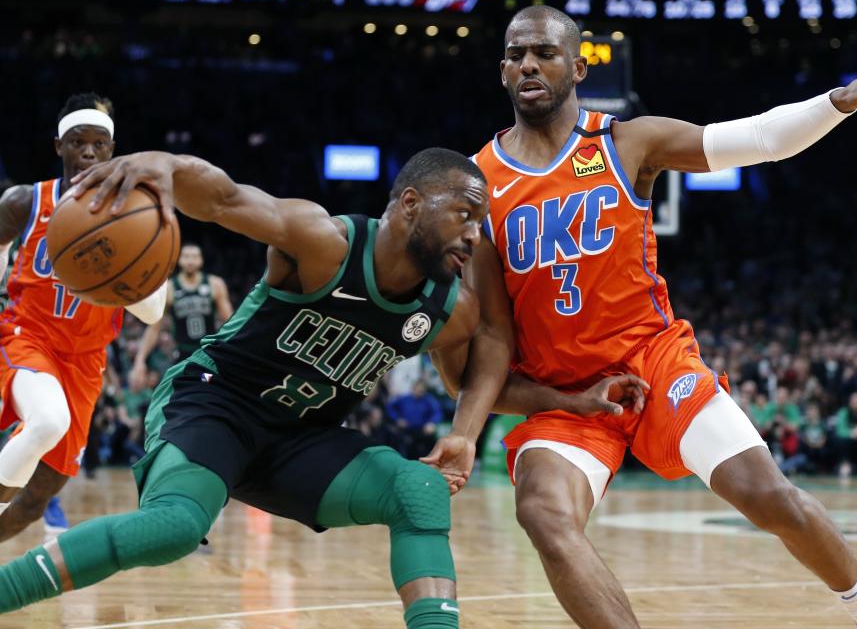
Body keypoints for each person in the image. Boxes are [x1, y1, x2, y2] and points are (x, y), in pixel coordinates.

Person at [425, 6, 857, 629]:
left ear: (578, 66)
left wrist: (844, 99)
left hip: (654, 361)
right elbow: (496, 333)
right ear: (502, 71)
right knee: (542, 513)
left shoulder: (625, 143)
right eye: (514, 54)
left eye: (544, 52)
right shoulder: (481, 183)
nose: (527, 63)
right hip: (565, 392)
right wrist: (465, 432)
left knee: (767, 495)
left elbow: (757, 139)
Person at [0, 147, 641, 628]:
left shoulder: (449, 308)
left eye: (481, 221)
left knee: (417, 488)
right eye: (464, 215)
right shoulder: (323, 241)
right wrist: (162, 165)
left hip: (300, 440)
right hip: (213, 404)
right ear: (412, 205)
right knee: (171, 529)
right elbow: (223, 199)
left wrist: (519, 417)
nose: (474, 235)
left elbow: (481, 373)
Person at [0, 93, 166, 542]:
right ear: (59, 146)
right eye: (77, 143)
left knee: (37, 500)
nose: (88, 153)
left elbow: (152, 311)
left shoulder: (137, 213)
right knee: (48, 421)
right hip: (26, 339)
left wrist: (121, 265)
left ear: (113, 151)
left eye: (98, 144)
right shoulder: (25, 202)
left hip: (86, 362)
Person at [128, 243, 234, 391]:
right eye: (186, 256)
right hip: (183, 355)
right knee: (186, 389)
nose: (190, 261)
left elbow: (231, 322)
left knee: (207, 384)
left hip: (208, 353)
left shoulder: (214, 284)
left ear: (201, 260)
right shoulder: (169, 288)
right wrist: (140, 360)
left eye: (194, 257)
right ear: (179, 260)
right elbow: (154, 329)